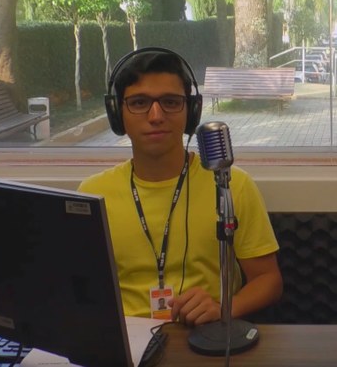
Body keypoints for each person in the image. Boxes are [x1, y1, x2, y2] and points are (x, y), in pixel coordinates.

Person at [78, 48, 282, 326]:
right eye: (139, 102)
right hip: (125, 346)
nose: (156, 116)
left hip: (205, 337)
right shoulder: (93, 193)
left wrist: (223, 308)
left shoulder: (230, 185)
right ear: (117, 114)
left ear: (192, 111)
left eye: (171, 102)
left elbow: (268, 280)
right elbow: (79, 289)